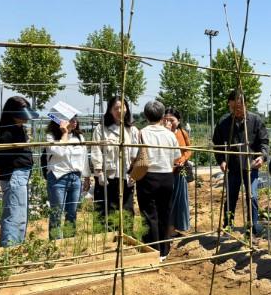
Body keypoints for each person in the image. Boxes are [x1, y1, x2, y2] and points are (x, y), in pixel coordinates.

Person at [212, 90, 269, 236]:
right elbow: (217, 144)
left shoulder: (255, 120)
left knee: (252, 196)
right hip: (233, 167)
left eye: (239, 107)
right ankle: (228, 224)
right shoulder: (224, 122)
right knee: (231, 195)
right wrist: (222, 161)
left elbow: (264, 142)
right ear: (229, 105)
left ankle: (253, 226)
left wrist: (262, 157)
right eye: (233, 108)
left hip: (251, 166)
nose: (236, 111)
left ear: (245, 104)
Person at [136, 101, 181, 261]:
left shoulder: (141, 133)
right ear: (162, 116)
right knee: (164, 212)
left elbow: (135, 155)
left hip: (148, 177)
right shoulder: (170, 134)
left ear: (146, 115)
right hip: (167, 176)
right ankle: (164, 250)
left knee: (149, 214)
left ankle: (152, 250)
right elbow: (177, 157)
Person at [0, 96, 38, 247]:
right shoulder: (7, 132)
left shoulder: (19, 129)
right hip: (14, 175)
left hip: (20, 174)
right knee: (14, 213)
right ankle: (9, 248)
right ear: (12, 114)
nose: (25, 119)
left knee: (20, 213)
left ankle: (17, 245)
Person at [91, 96, 140, 229]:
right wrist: (98, 171)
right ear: (110, 110)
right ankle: (105, 238)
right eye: (116, 108)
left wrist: (134, 173)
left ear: (127, 109)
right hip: (108, 176)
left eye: (122, 107)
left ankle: (127, 238)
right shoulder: (101, 129)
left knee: (127, 209)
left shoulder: (132, 130)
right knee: (106, 210)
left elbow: (136, 154)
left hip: (126, 176)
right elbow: (96, 150)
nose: (119, 110)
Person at [44, 102, 90, 240]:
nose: (74, 122)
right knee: (56, 213)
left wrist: (87, 177)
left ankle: (69, 242)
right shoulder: (51, 137)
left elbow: (84, 159)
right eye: (70, 119)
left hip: (75, 178)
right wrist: (64, 134)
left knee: (72, 213)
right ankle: (55, 245)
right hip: (58, 178)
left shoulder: (79, 137)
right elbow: (59, 153)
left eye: (75, 118)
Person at [163, 107, 192, 233]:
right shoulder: (162, 134)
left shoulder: (182, 133)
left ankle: (177, 227)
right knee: (168, 200)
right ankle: (168, 228)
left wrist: (183, 159)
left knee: (180, 199)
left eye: (172, 120)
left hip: (180, 171)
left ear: (178, 121)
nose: (169, 122)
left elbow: (189, 149)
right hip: (166, 171)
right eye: (166, 119)